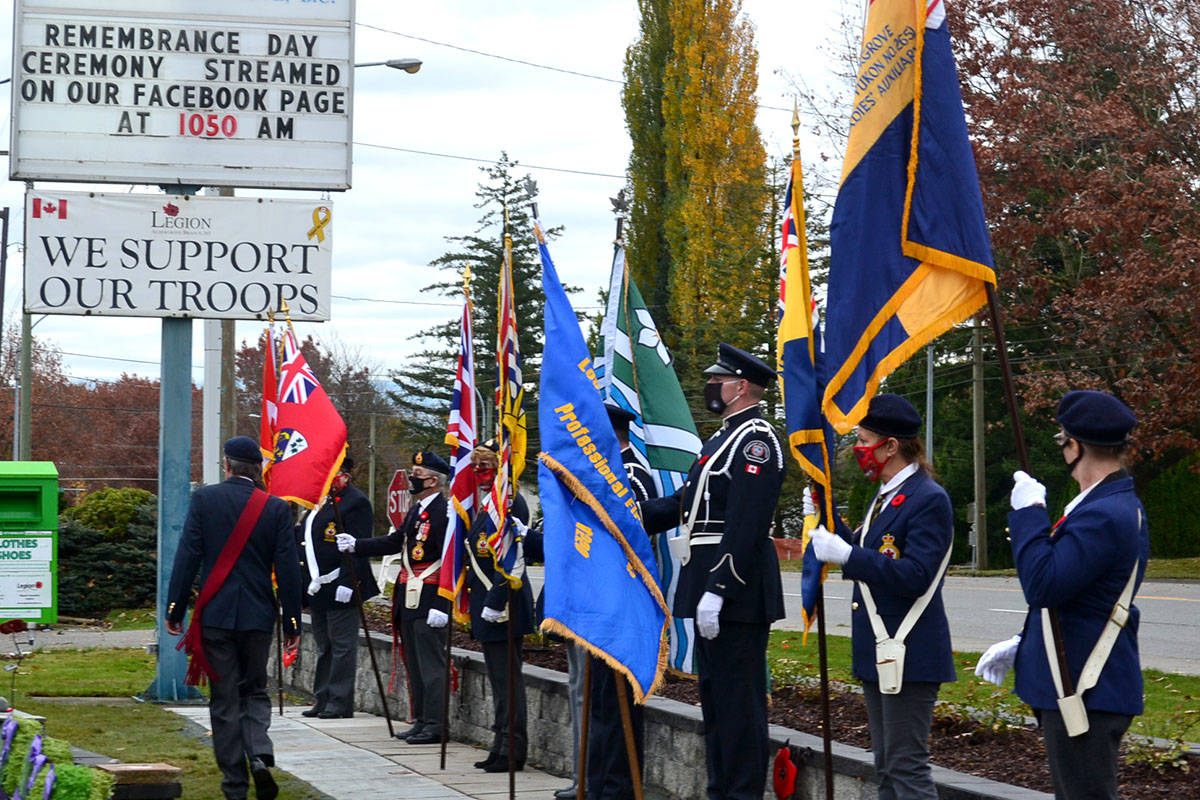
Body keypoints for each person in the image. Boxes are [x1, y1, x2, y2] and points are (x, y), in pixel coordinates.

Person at [976, 390, 1148, 800]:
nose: (1061, 449)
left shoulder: (1105, 512)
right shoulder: (1103, 504)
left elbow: (1044, 585)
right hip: (1075, 678)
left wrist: (1029, 513)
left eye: (1061, 440)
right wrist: (1026, 644)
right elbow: (1081, 595)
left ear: (1077, 445)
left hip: (1086, 688)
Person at [641, 343, 785, 800]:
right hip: (708, 583)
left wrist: (720, 587)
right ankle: (721, 789)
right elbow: (685, 503)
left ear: (741, 386)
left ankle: (741, 793)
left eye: (718, 379)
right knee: (717, 702)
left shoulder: (756, 440)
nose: (710, 387)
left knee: (740, 704)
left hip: (736, 590)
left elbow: (747, 520)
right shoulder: (720, 440)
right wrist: (623, 514)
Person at [808, 393, 955, 800]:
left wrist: (848, 555)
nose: (858, 449)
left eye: (864, 439)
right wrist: (828, 517)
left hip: (910, 650)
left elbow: (916, 575)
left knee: (907, 765)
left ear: (890, 445)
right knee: (887, 766)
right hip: (883, 648)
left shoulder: (928, 498)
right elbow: (871, 549)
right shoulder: (888, 494)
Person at [165, 436, 303, 800]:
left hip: (216, 616)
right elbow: (288, 571)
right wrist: (292, 624)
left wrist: (175, 608)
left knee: (225, 700)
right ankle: (258, 754)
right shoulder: (275, 508)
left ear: (226, 465)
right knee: (255, 691)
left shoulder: (204, 500)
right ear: (257, 469)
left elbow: (188, 557)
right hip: (258, 616)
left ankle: (235, 786)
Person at [337, 451, 452, 744]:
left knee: (430, 665)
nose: (412, 478)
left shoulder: (444, 511)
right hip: (408, 594)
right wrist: (356, 545)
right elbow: (394, 541)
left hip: (429, 596)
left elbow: (451, 560)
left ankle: (436, 724)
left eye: (418, 473)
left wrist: (443, 603)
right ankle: (422, 719)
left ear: (433, 480)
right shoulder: (417, 509)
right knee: (414, 663)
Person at [584, 402, 659, 800]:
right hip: (602, 600)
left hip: (625, 603)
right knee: (601, 703)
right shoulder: (604, 473)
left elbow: (629, 532)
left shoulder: (630, 475)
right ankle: (599, 783)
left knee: (618, 707)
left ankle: (618, 787)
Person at [463, 440, 534, 774]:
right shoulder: (487, 502)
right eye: (476, 467)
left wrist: (495, 601)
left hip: (505, 605)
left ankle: (512, 750)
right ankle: (500, 745)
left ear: (499, 469)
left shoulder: (509, 501)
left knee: (508, 684)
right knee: (499, 683)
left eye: (486, 467)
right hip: (490, 606)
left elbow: (512, 558)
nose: (479, 473)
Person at [297, 457, 379, 720]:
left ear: (346, 475)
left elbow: (358, 545)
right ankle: (322, 697)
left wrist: (348, 582)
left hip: (343, 584)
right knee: (325, 645)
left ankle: (340, 701)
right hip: (319, 586)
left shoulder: (356, 502)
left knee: (343, 647)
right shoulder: (319, 503)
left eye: (335, 474)